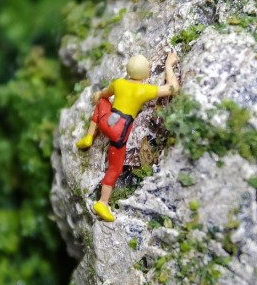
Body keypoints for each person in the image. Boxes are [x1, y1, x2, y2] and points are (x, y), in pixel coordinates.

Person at [76, 51, 180, 221]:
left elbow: (103, 94)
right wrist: (169, 64)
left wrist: (97, 96)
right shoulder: (144, 90)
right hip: (119, 131)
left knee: (103, 103)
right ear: (145, 73)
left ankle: (89, 136)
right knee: (114, 168)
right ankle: (102, 202)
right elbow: (173, 88)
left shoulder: (118, 83)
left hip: (106, 122)